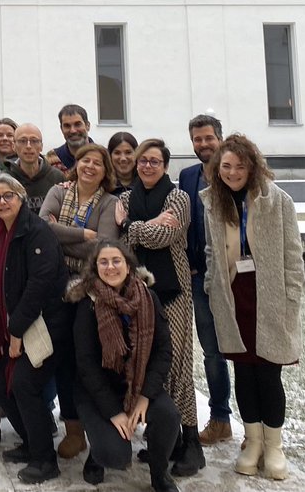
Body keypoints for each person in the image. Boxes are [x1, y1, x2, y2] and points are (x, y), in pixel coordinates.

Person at [202, 135, 304, 481]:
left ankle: (274, 446)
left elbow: (293, 254)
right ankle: (253, 441)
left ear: (252, 165)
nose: (232, 172)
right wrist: (211, 288)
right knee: (243, 372)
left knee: (268, 373)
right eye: (226, 166)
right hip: (233, 296)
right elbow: (212, 252)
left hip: (269, 295)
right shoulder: (213, 202)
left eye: (239, 165)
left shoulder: (278, 201)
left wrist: (291, 299)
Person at [116, 139, 204, 477]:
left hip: (173, 291)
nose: (147, 166)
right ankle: (166, 438)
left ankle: (191, 443)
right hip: (137, 292)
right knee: (146, 362)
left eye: (154, 161)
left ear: (165, 166)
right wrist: (143, 229)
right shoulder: (126, 197)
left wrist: (131, 226)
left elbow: (163, 238)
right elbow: (126, 243)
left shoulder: (179, 198)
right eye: (143, 161)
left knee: (178, 364)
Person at [69, 240, 181, 492]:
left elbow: (163, 351)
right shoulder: (88, 303)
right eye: (104, 262)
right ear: (95, 267)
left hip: (139, 383)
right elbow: (86, 365)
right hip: (98, 392)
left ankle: (159, 472)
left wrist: (144, 397)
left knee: (168, 416)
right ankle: (97, 454)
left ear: (128, 266)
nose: (110, 267)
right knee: (115, 456)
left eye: (116, 260)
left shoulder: (148, 298)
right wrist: (114, 411)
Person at [0, 173, 68, 484]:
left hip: (45, 325)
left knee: (24, 384)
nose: (3, 202)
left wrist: (16, 331)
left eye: (9, 195)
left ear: (20, 197)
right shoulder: (0, 232)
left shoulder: (36, 232)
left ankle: (45, 459)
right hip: (14, 324)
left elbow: (40, 286)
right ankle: (32, 442)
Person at [38, 143, 121, 459]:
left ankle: (97, 427)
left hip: (92, 292)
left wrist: (66, 239)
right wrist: (84, 235)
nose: (90, 166)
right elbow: (43, 229)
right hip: (56, 289)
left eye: (98, 163)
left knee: (87, 360)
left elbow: (104, 250)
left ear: (105, 171)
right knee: (61, 359)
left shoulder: (110, 202)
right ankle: (73, 431)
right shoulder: (58, 192)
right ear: (77, 164)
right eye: (86, 160)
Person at [177, 115, 232, 446]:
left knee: (245, 352)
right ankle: (221, 417)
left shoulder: (235, 172)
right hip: (200, 278)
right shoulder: (187, 176)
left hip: (234, 277)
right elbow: (186, 223)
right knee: (212, 351)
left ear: (220, 138)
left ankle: (257, 426)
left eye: (208, 138)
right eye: (197, 140)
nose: (203, 144)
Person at [3, 123, 64, 213]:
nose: (28, 146)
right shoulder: (4, 179)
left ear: (41, 146)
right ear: (14, 146)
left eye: (34, 141)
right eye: (22, 141)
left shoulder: (57, 177)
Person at [49, 104, 94, 173]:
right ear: (61, 129)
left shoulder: (104, 158)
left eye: (77, 124)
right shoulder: (51, 160)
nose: (73, 130)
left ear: (87, 126)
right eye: (67, 126)